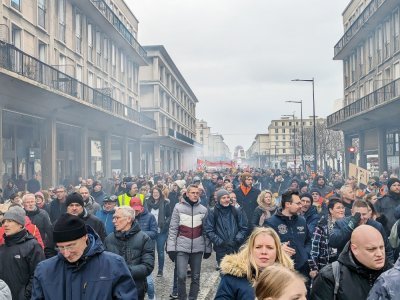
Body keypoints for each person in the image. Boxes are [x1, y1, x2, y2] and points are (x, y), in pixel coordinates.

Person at [32, 213, 138, 299]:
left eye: (70, 246)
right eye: (61, 247)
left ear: (85, 237)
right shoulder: (44, 270)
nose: (66, 253)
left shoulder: (114, 264)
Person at [311, 225, 391, 300]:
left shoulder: (393, 273)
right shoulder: (329, 277)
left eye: (381, 247)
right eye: (371, 249)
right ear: (354, 249)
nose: (379, 254)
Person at [215, 227, 294, 299]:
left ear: (277, 251)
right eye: (258, 247)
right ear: (250, 250)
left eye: (270, 247)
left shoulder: (288, 279)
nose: (264, 252)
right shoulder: (232, 279)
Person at [166, 184, 212, 300]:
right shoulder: (178, 208)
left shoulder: (203, 210)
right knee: (181, 276)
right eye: (193, 192)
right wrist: (171, 248)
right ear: (187, 193)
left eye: (197, 193)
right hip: (181, 246)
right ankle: (182, 297)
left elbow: (206, 231)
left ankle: (193, 298)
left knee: (196, 277)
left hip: (197, 247)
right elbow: (173, 229)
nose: (195, 195)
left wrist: (207, 248)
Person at [104, 206, 154, 300]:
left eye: (117, 218)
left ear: (128, 219)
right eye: (113, 218)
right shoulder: (109, 239)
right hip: (113, 288)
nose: (114, 221)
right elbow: (103, 264)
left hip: (136, 288)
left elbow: (148, 266)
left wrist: (125, 271)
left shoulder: (144, 238)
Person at [0, 206, 45, 300]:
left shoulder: (33, 246)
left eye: (10, 221)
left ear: (20, 224)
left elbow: (38, 275)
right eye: (4, 221)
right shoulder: (3, 247)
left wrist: (25, 295)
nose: (5, 224)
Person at [264, 189, 311, 277]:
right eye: (298, 203)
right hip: (281, 271)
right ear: (287, 204)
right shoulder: (270, 223)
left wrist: (305, 254)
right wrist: (279, 248)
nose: (301, 206)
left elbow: (308, 241)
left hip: (302, 270)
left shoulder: (302, 221)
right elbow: (264, 246)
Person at [329, 199, 393, 263]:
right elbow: (333, 242)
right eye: (358, 214)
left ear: (368, 213)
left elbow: (387, 249)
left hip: (371, 265)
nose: (361, 217)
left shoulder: (377, 226)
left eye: (364, 214)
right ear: (352, 212)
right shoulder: (341, 223)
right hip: (348, 266)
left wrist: (389, 268)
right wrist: (351, 225)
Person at [204, 189, 248, 266]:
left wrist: (237, 239)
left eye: (228, 197)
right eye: (223, 198)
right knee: (224, 272)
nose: (226, 200)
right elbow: (209, 230)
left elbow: (243, 228)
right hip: (221, 248)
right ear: (218, 199)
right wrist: (220, 242)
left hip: (235, 247)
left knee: (236, 272)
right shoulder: (213, 212)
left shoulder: (236, 211)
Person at [309, 198, 345, 279]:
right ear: (331, 210)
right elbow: (314, 248)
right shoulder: (322, 226)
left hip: (343, 264)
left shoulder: (348, 225)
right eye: (338, 208)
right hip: (326, 264)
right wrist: (313, 267)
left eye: (343, 208)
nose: (341, 210)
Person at [130, 196, 158, 300]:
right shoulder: (129, 218)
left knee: (149, 280)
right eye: (133, 209)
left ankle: (152, 297)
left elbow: (154, 233)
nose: (136, 211)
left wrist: (140, 234)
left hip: (147, 249)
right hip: (133, 251)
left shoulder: (150, 216)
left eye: (137, 209)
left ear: (141, 207)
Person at [146, 186, 172, 277]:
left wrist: (165, 224)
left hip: (161, 231)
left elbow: (169, 216)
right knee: (150, 251)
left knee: (160, 251)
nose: (155, 194)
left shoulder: (165, 203)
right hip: (151, 231)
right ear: (152, 194)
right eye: (154, 193)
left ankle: (160, 270)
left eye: (157, 193)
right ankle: (150, 268)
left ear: (160, 194)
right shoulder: (148, 203)